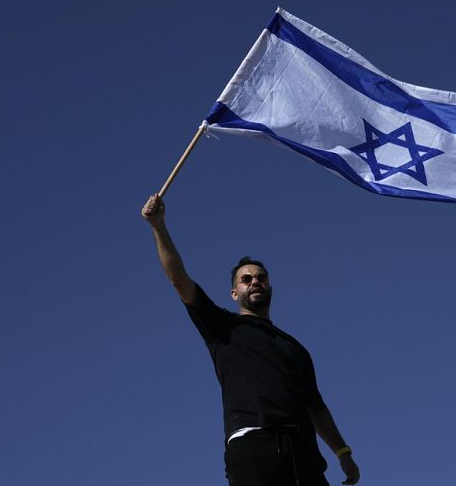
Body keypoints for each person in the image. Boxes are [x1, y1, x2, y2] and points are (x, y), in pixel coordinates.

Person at [141, 193, 361, 486]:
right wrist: (158, 226)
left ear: (270, 286)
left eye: (261, 277)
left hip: (303, 454)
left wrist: (342, 452)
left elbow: (316, 407)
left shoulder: (295, 348)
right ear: (235, 293)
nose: (254, 281)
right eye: (246, 279)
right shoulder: (222, 326)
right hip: (252, 447)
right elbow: (179, 279)